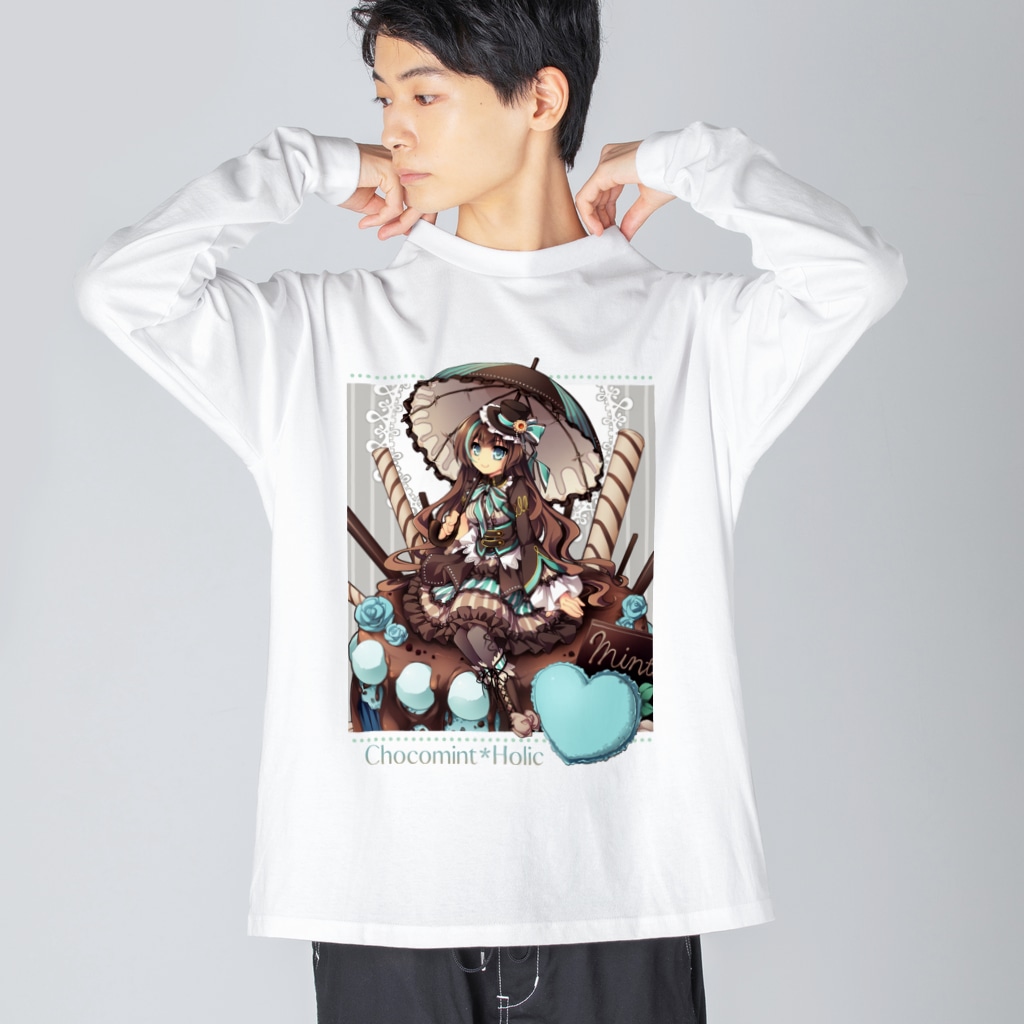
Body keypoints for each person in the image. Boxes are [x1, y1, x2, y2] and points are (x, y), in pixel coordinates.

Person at [73, 0, 907, 1021]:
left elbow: (859, 277)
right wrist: (306, 165)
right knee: (448, 612)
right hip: (384, 907)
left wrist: (686, 162)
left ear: (541, 99)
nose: (394, 131)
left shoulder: (689, 328)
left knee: (552, 603)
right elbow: (123, 291)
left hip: (621, 902)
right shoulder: (324, 329)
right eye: (383, 100)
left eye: (425, 96)